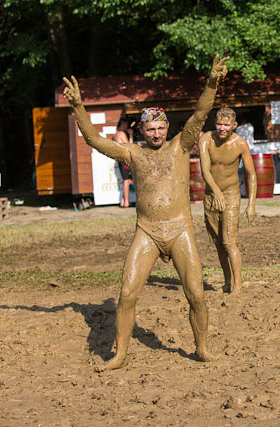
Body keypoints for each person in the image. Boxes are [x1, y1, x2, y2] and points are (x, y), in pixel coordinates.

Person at [62, 54, 230, 370]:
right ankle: (120, 353)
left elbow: (201, 111)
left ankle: (202, 347)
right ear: (142, 130)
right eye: (151, 129)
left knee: (196, 294)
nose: (156, 134)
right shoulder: (132, 153)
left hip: (180, 229)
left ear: (168, 127)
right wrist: (78, 107)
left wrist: (212, 82)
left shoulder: (181, 145)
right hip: (148, 231)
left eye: (161, 127)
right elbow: (94, 140)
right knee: (126, 294)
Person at [199, 108, 257, 293]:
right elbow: (205, 170)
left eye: (226, 125)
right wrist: (215, 192)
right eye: (219, 124)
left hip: (231, 194)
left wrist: (252, 203)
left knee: (229, 242)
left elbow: (251, 173)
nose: (222, 128)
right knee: (218, 243)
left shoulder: (240, 143)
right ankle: (227, 282)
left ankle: (238, 286)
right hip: (211, 195)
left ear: (234, 125)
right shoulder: (206, 140)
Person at [114, 118, 134, 207]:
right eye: (126, 125)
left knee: (129, 179)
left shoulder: (115, 134)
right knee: (127, 180)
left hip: (120, 159)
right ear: (123, 124)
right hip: (124, 160)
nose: (127, 126)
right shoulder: (121, 133)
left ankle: (123, 201)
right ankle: (126, 202)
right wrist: (131, 135)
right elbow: (129, 146)